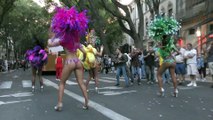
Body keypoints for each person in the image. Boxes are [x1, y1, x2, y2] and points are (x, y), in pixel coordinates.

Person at [49, 6, 89, 111]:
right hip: (78, 61)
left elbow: (51, 44)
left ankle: (59, 104)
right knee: (81, 83)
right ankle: (86, 103)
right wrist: (83, 59)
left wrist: (51, 33)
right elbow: (84, 52)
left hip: (69, 62)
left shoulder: (63, 39)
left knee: (62, 83)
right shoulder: (77, 39)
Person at [148, 16, 181, 97]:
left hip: (166, 61)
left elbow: (150, 51)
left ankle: (161, 89)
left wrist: (156, 45)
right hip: (172, 61)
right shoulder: (171, 44)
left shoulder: (159, 48)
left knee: (159, 75)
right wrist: (173, 54)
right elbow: (179, 52)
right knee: (173, 75)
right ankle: (175, 90)